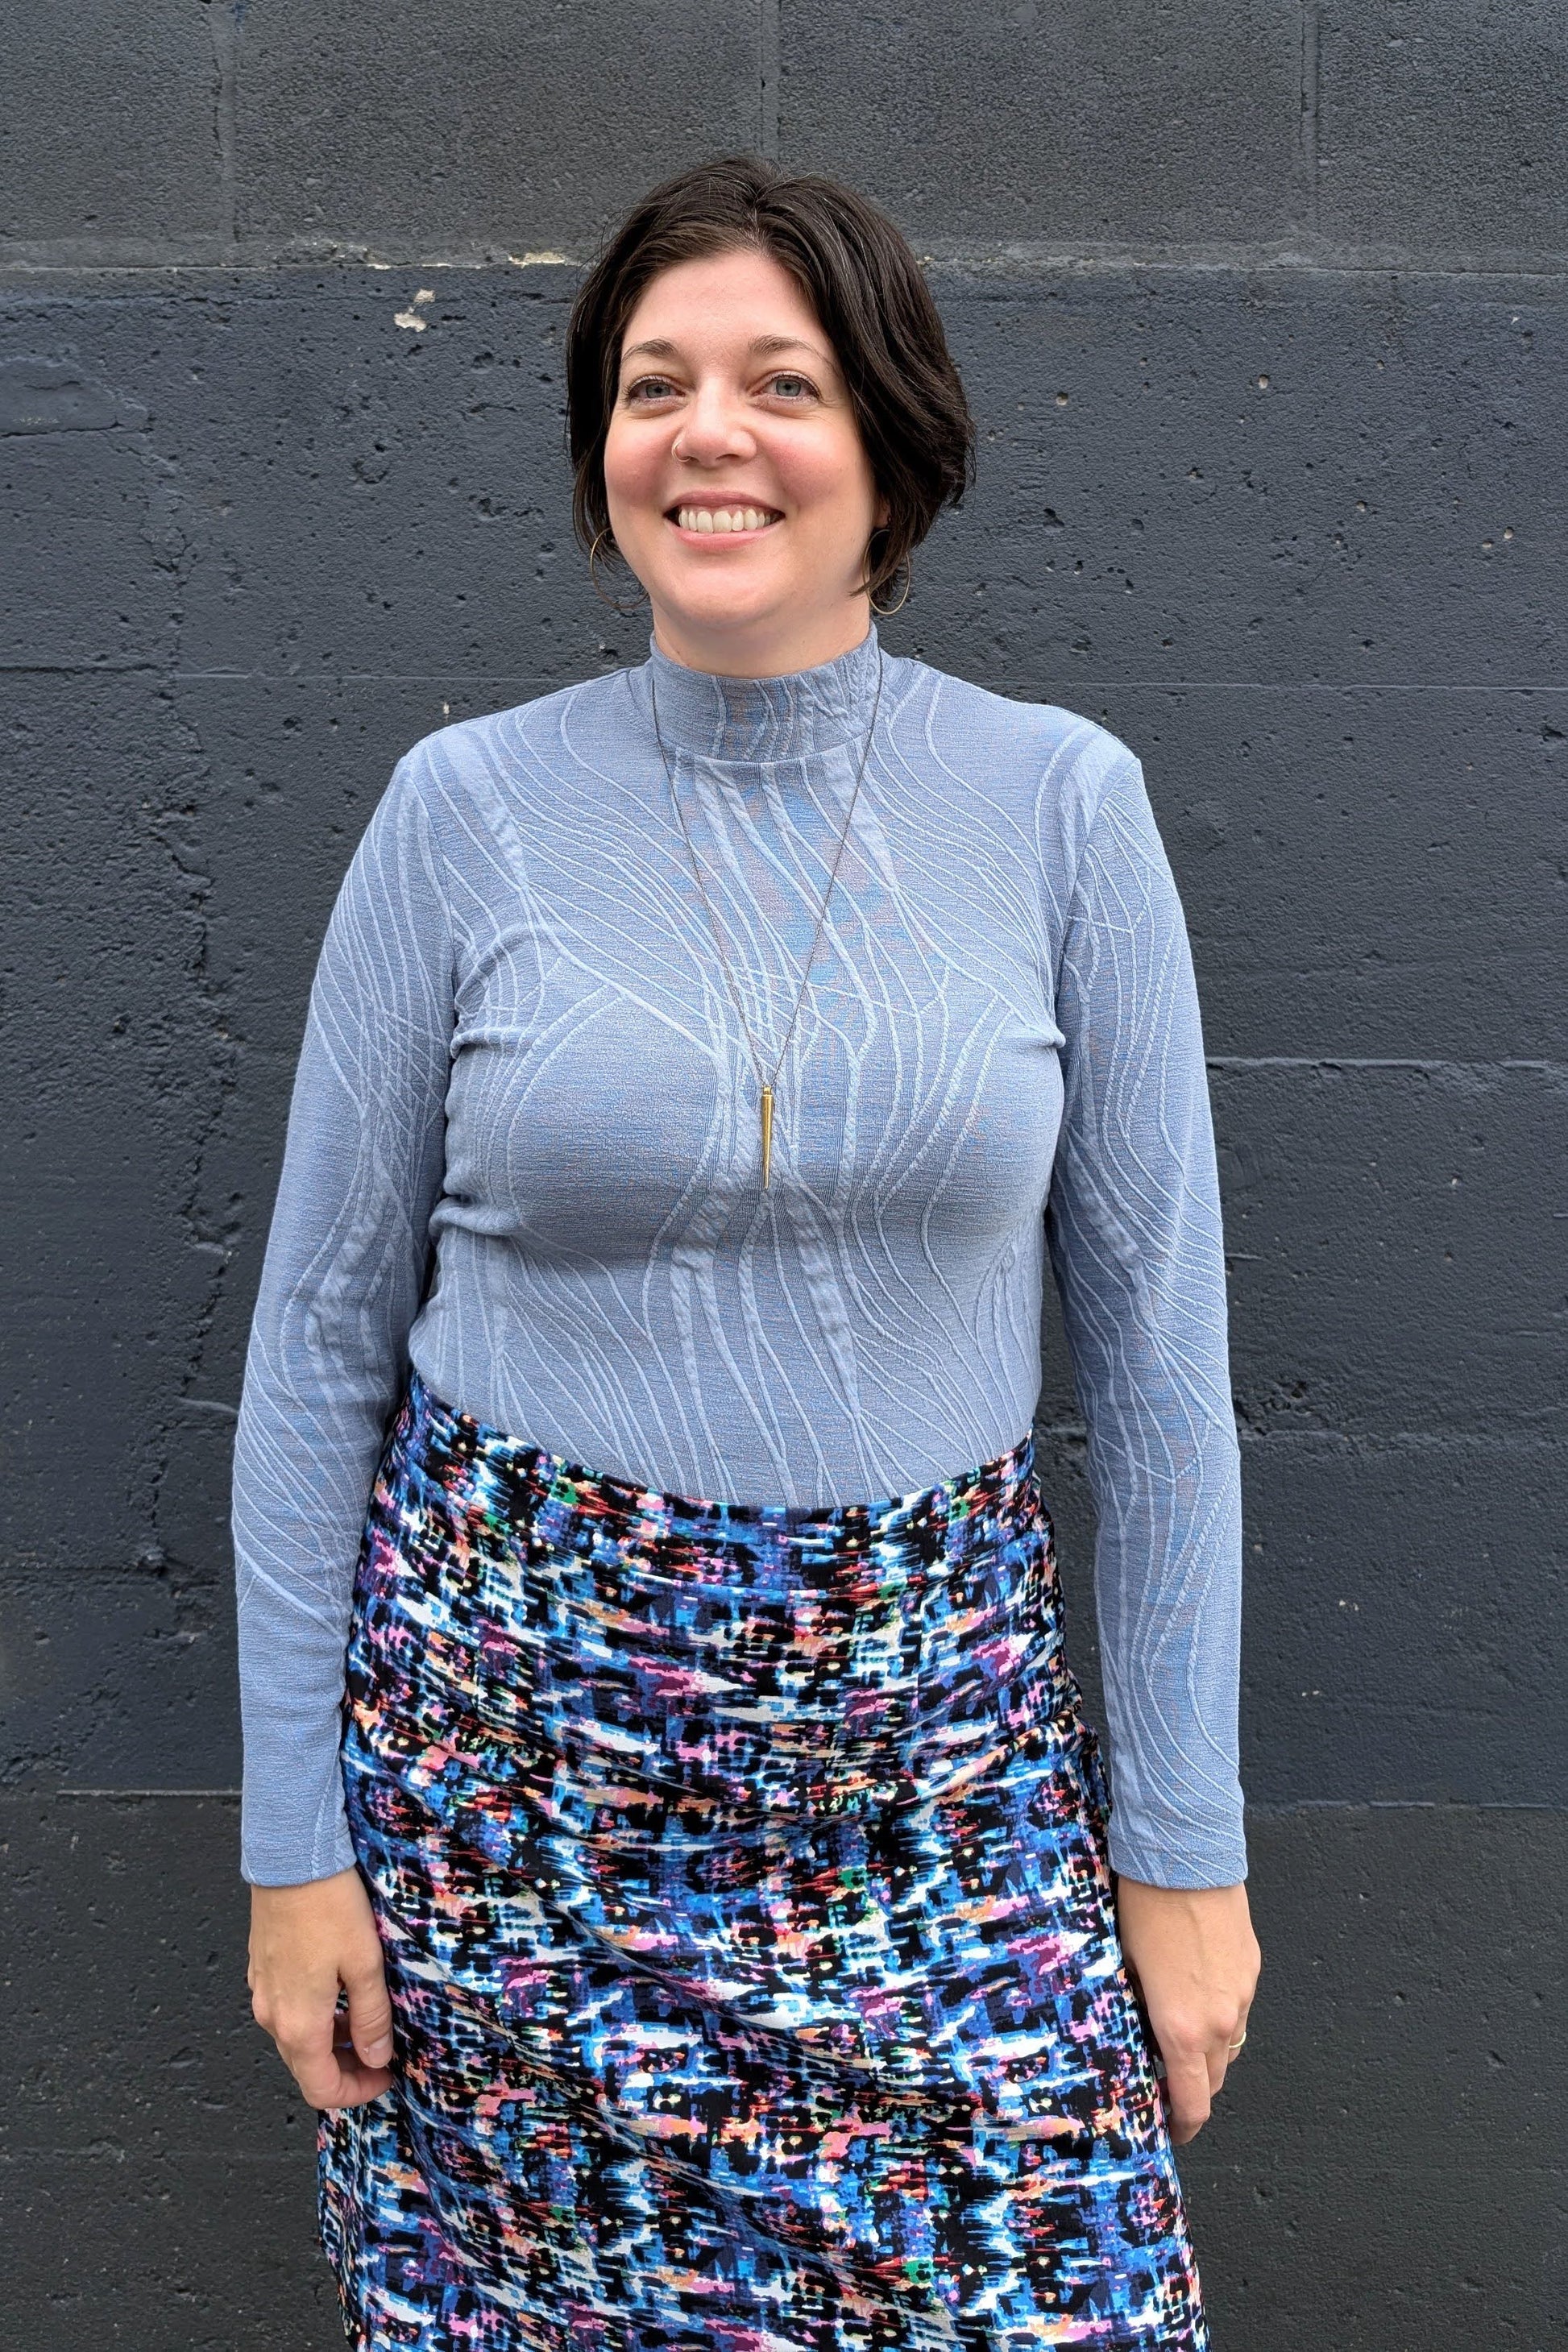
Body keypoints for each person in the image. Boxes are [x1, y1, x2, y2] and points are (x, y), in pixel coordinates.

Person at [238, 153, 1261, 2352]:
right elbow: (319, 1353)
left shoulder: (1061, 806)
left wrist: (1181, 1858)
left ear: (888, 438)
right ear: (599, 452)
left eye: (778, 382)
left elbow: (1163, 1379)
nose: (706, 434)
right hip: (512, 1810)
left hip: (939, 1790)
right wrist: (288, 1851)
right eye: (650, 385)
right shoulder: (461, 811)